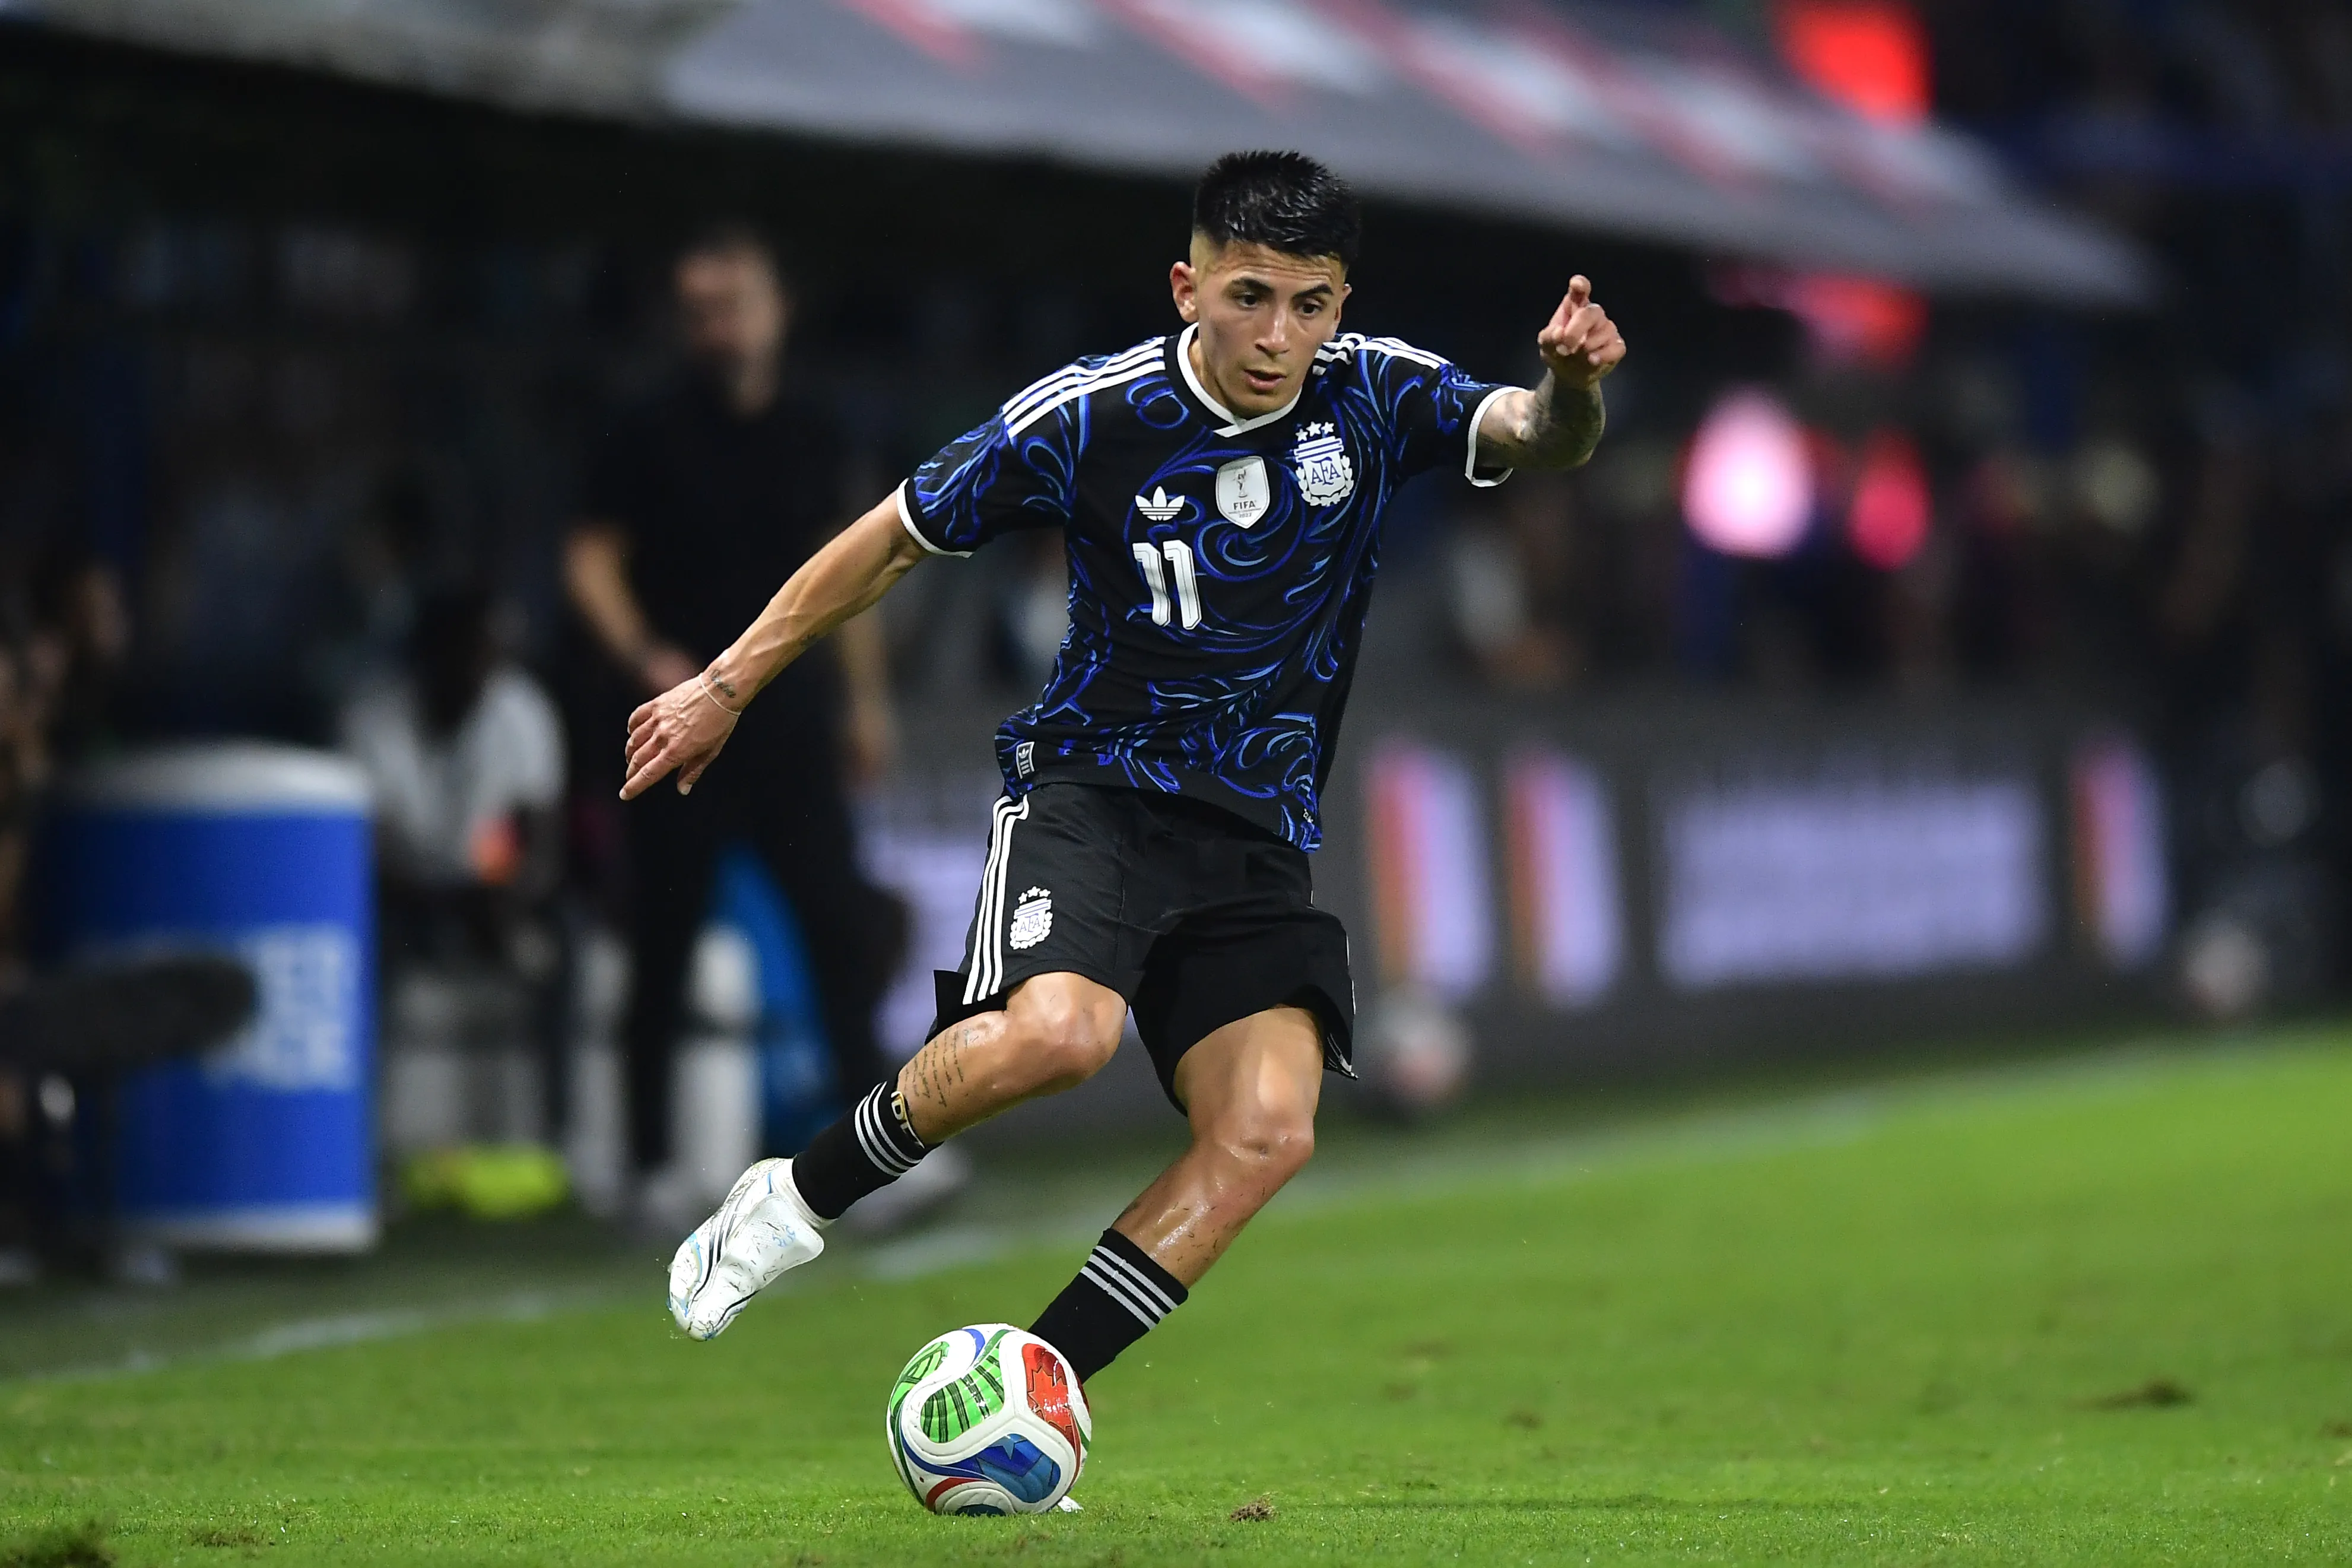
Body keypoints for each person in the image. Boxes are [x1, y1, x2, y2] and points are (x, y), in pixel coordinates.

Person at [627, 153, 1624, 1391]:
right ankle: (790, 1197)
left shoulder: (1375, 395)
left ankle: (1033, 1387)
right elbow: (893, 537)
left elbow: (1539, 438)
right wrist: (726, 683)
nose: (1278, 335)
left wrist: (1567, 382)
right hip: (1093, 794)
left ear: (1340, 306)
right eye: (1248, 296)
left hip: (1255, 832)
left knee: (1268, 1129)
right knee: (1054, 1037)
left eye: (1309, 304)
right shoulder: (1090, 415)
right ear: (1185, 287)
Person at [564, 227, 906, 1223]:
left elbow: (856, 571)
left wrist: (867, 703)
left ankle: (871, 1162)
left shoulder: (812, 430)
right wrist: (645, 658)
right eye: (699, 309)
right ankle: (648, 1165)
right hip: (677, 727)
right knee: (663, 939)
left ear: (776, 308)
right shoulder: (645, 430)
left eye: (733, 304)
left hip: (789, 722)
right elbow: (590, 560)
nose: (717, 327)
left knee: (839, 932)